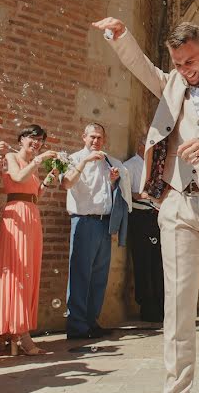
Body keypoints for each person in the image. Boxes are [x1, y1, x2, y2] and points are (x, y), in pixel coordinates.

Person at [93, 16, 199, 393]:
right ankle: (178, 388)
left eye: (190, 62)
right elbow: (140, 66)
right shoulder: (171, 83)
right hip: (177, 203)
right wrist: (121, 36)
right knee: (178, 300)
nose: (184, 70)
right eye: (178, 64)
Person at [0, 124, 57, 356]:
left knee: (27, 271)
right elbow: (16, 177)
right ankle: (20, 334)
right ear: (22, 138)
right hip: (16, 215)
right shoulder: (12, 157)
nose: (37, 142)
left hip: (31, 215)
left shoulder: (33, 169)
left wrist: (45, 182)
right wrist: (39, 160)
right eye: (33, 138)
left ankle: (10, 334)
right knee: (16, 270)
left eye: (40, 140)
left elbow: (34, 194)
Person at [60, 123, 131, 339]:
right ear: (83, 137)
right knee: (80, 273)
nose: (96, 141)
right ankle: (77, 326)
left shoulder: (108, 161)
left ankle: (92, 322)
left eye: (99, 138)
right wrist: (84, 161)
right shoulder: (73, 159)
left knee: (99, 276)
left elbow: (107, 193)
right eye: (92, 137)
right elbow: (66, 183)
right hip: (83, 222)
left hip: (103, 223)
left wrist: (112, 182)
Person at [123, 136, 165, 323]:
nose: (153, 149)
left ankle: (160, 304)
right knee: (143, 261)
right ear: (141, 146)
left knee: (158, 261)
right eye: (150, 145)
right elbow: (125, 193)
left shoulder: (155, 166)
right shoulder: (130, 165)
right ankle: (147, 307)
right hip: (139, 216)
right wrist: (144, 195)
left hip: (155, 215)